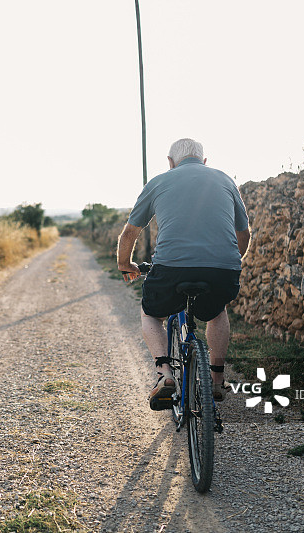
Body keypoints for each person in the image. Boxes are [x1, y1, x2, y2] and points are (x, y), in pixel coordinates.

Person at [117, 138, 251, 404]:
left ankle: (164, 373)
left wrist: (125, 265)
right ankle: (216, 380)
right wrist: (229, 262)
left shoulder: (158, 182)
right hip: (223, 269)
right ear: (204, 162)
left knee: (151, 313)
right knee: (217, 311)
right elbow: (244, 233)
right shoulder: (225, 180)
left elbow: (130, 233)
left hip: (171, 268)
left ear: (170, 163)